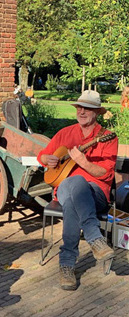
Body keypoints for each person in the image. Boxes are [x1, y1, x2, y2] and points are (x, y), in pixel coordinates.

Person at [37, 90, 118, 291]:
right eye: (79, 107)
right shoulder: (65, 133)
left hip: (96, 193)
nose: (82, 111)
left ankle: (66, 265)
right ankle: (94, 238)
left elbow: (105, 174)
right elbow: (42, 155)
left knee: (77, 190)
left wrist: (83, 162)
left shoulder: (107, 138)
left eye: (87, 109)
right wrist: (48, 159)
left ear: (96, 113)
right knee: (75, 183)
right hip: (63, 188)